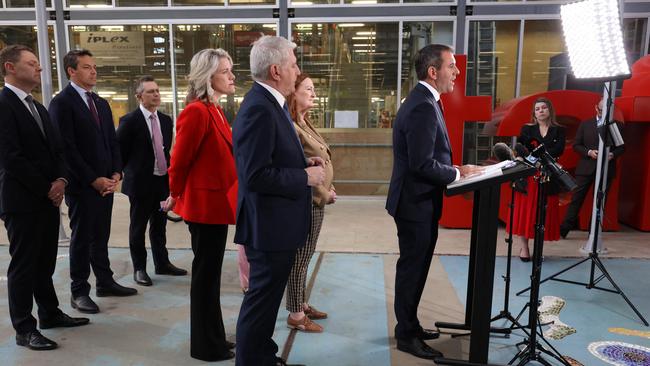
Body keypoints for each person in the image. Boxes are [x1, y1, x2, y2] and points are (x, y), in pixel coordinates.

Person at [233, 35, 325, 366]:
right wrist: (304, 177)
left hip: (277, 225)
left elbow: (273, 156)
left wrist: (302, 163)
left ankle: (264, 356)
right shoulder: (259, 108)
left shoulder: (272, 103)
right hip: (269, 228)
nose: (297, 70)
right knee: (260, 304)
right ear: (276, 70)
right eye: (293, 64)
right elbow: (255, 176)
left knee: (268, 303)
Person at [385, 44, 481, 360]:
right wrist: (458, 172)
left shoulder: (427, 102)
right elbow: (422, 164)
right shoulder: (423, 106)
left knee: (418, 266)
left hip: (420, 201)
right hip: (414, 204)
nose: (456, 71)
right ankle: (406, 335)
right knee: (412, 269)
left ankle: (410, 324)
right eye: (451, 66)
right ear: (433, 71)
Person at [0, 45, 89, 351]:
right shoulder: (3, 104)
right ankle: (24, 328)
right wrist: (46, 187)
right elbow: (10, 157)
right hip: (22, 200)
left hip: (47, 198)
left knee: (44, 262)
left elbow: (58, 150)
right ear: (10, 68)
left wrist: (62, 179)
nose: (39, 68)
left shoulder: (37, 106)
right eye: (32, 63)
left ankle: (49, 313)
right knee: (24, 265)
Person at [162, 48, 237, 362]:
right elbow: (179, 161)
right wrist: (175, 196)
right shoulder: (196, 112)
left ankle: (215, 337)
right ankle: (205, 346)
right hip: (204, 207)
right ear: (209, 77)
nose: (232, 76)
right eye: (225, 71)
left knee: (212, 276)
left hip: (216, 205)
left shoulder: (216, 110)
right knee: (205, 276)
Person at [49, 49, 136, 315]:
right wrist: (92, 179)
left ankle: (105, 281)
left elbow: (112, 141)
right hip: (83, 186)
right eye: (87, 67)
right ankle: (79, 292)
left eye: (94, 67)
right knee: (82, 238)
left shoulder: (100, 102)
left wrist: (116, 172)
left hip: (106, 184)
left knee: (101, 235)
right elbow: (66, 147)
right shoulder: (61, 103)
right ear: (71, 71)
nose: (94, 71)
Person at [116, 76, 187, 287]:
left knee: (160, 225)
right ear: (139, 96)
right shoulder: (130, 121)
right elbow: (120, 153)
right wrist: (125, 173)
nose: (156, 94)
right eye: (150, 91)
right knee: (138, 227)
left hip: (161, 181)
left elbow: (165, 149)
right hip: (140, 183)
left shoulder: (165, 120)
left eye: (157, 90)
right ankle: (139, 268)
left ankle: (162, 263)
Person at [285, 74, 336, 333]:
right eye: (309, 88)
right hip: (308, 201)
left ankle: (301, 303)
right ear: (294, 93)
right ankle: (295, 314)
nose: (314, 93)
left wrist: (328, 185)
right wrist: (323, 192)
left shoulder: (305, 123)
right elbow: (298, 167)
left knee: (306, 255)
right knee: (300, 258)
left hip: (318, 199)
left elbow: (320, 159)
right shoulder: (291, 126)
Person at [508, 97, 566, 260]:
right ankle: (524, 248)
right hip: (529, 176)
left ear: (550, 111)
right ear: (534, 113)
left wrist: (537, 153)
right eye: (537, 109)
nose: (541, 111)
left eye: (544, 108)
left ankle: (538, 248)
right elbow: (521, 149)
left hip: (549, 175)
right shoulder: (527, 129)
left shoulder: (559, 130)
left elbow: (559, 149)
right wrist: (541, 154)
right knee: (526, 211)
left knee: (543, 213)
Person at [559, 99, 625, 238]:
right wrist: (589, 152)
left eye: (608, 111)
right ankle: (564, 229)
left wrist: (612, 154)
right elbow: (577, 145)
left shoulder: (617, 125)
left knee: (600, 201)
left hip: (607, 168)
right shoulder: (585, 124)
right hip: (586, 168)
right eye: (601, 110)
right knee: (577, 198)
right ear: (596, 108)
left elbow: (622, 147)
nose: (604, 114)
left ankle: (593, 232)